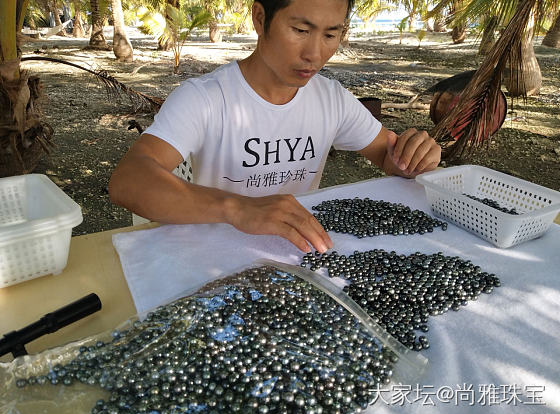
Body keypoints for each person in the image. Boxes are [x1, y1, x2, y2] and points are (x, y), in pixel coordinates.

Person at [109, 0, 441, 254]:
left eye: (330, 34)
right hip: (215, 256)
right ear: (259, 18)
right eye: (300, 30)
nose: (315, 53)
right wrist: (237, 208)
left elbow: (388, 156)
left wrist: (413, 157)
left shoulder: (332, 99)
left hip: (298, 253)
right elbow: (129, 181)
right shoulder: (205, 98)